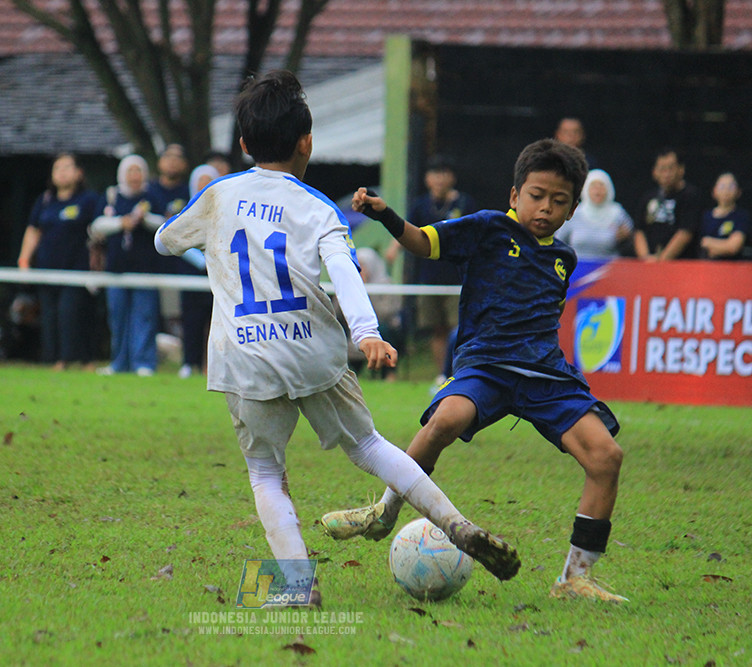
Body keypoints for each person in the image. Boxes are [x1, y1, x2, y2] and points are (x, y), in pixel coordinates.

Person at [154, 70, 521, 607]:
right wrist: (368, 333)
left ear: (241, 145)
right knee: (369, 446)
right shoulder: (320, 209)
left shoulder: (218, 195)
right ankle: (456, 524)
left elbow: (166, 242)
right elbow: (345, 273)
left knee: (264, 472)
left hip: (245, 357)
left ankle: (298, 587)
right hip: (312, 351)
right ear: (307, 143)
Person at [323, 138, 626, 603]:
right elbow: (423, 242)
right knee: (445, 419)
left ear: (572, 209)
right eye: (537, 195)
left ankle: (574, 578)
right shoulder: (487, 227)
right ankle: (383, 514)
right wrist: (386, 216)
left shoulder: (564, 258)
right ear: (514, 196)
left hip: (545, 374)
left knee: (606, 457)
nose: (545, 207)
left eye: (559, 201)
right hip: (485, 363)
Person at [396, 156, 476, 384]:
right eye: (434, 174)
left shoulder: (465, 203)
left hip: (458, 279)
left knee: (457, 330)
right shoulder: (421, 205)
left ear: (452, 177)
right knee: (437, 330)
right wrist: (394, 250)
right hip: (428, 279)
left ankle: (459, 372)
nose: (439, 179)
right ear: (427, 179)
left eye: (443, 173)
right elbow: (407, 230)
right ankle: (442, 375)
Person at [17, 153, 101, 370]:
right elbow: (33, 231)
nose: (62, 172)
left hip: (77, 270)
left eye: (67, 167)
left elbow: (99, 231)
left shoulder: (89, 200)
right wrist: (24, 259)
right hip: (47, 269)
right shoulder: (45, 201)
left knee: (70, 314)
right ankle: (55, 360)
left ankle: (78, 360)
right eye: (57, 168)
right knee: (50, 316)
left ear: (79, 172)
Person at [88, 155, 165, 376]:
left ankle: (144, 362)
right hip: (116, 270)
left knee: (145, 317)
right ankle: (119, 362)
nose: (134, 176)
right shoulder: (112, 196)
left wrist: (144, 218)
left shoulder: (152, 196)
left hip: (146, 270)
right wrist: (122, 223)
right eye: (130, 171)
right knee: (118, 317)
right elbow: (97, 225)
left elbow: (165, 224)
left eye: (138, 171)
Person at [176, 163, 219, 378]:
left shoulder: (223, 211)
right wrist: (201, 260)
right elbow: (178, 240)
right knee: (191, 320)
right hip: (191, 274)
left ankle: (212, 364)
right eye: (200, 183)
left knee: (216, 321)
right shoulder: (185, 211)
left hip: (217, 276)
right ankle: (189, 362)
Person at [338, 247, 402, 381]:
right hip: (353, 332)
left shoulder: (386, 284)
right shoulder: (349, 286)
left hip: (384, 329)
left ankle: (389, 375)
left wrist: (366, 295)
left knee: (384, 330)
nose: (360, 270)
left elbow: (387, 313)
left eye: (363, 266)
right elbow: (337, 312)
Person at [634, 148, 702, 261]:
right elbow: (639, 231)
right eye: (662, 169)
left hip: (680, 265)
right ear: (654, 172)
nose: (666, 174)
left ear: (681, 169)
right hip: (650, 264)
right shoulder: (648, 197)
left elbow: (685, 233)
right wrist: (645, 259)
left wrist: (662, 261)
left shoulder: (691, 196)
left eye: (671, 168)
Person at [555, 169, 633, 259]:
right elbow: (558, 242)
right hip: (578, 268)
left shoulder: (618, 213)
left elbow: (632, 241)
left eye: (601, 186)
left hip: (609, 269)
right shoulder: (574, 212)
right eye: (593, 186)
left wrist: (625, 238)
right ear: (586, 189)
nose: (597, 191)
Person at [699, 172, 750, 260]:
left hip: (732, 268)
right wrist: (722, 245)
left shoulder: (741, 216)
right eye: (722, 186)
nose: (726, 191)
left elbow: (733, 247)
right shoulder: (705, 216)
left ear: (738, 191)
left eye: (731, 187)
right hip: (706, 267)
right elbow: (701, 243)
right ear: (714, 191)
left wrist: (711, 244)